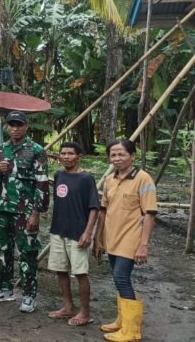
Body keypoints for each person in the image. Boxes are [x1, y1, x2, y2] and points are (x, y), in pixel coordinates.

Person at [93, 139, 157, 341]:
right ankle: (122, 320)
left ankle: (132, 331)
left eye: (121, 154)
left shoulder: (143, 179)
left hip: (131, 239)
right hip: (111, 237)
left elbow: (150, 214)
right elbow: (103, 211)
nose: (117, 158)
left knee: (121, 277)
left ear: (132, 156)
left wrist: (143, 245)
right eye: (113, 155)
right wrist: (99, 237)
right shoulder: (111, 179)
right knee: (118, 279)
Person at [0, 111, 49, 313]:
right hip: (3, 207)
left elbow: (42, 182)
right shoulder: (1, 149)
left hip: (25, 210)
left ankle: (29, 295)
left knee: (27, 252)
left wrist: (36, 213)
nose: (15, 128)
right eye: (11, 125)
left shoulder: (36, 150)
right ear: (7, 127)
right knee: (3, 249)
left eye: (18, 124)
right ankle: (5, 289)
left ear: (26, 126)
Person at [47, 142, 99, 326]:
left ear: (79, 157)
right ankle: (68, 307)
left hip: (78, 233)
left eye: (70, 153)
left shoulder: (86, 179)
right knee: (60, 269)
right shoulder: (58, 175)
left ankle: (85, 312)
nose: (66, 157)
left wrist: (88, 232)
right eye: (63, 153)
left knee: (80, 272)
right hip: (58, 230)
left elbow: (94, 207)